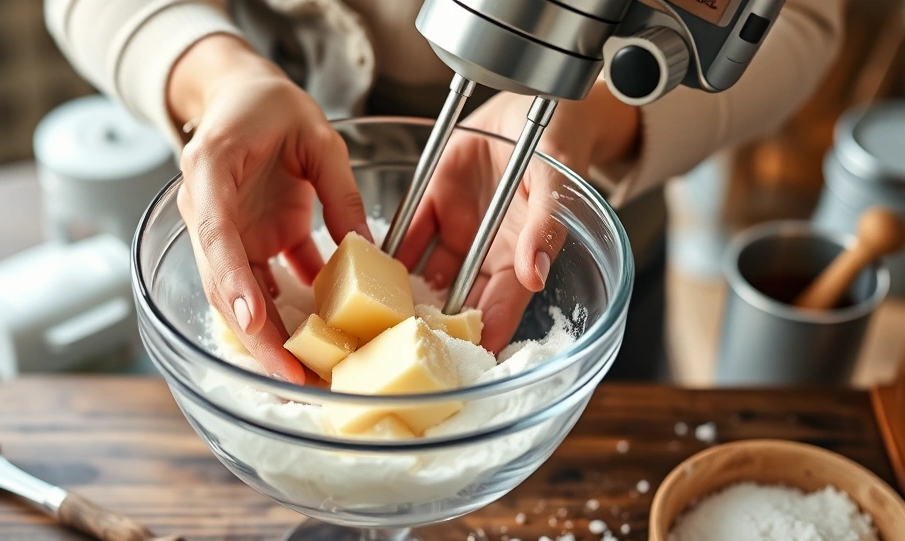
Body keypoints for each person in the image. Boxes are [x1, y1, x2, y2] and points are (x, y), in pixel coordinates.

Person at [46, 0, 844, 383]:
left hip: (562, 247)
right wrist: (213, 76)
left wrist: (592, 118)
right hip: (256, 216)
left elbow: (805, 18)